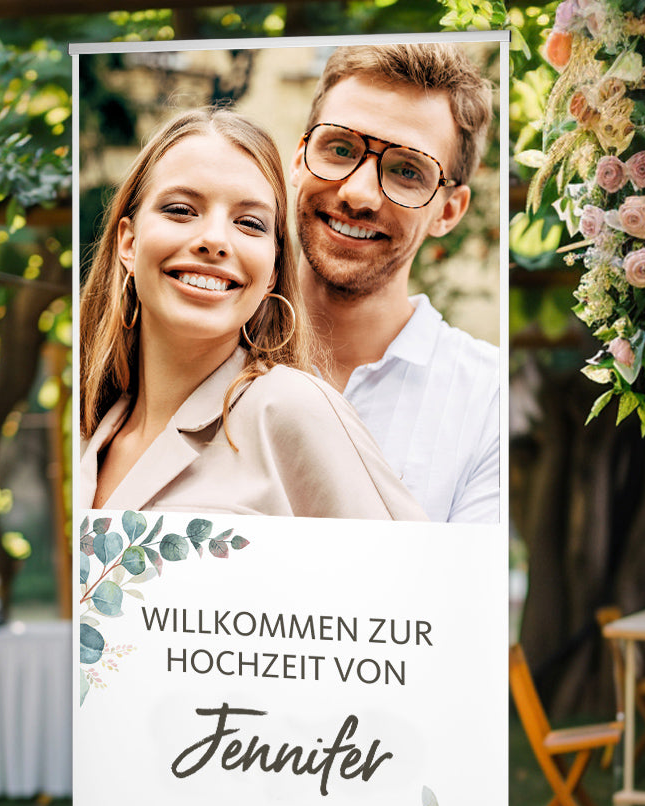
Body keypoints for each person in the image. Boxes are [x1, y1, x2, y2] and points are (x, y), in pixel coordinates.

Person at [78, 108, 426, 522]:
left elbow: (419, 577)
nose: (214, 240)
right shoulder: (88, 430)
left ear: (272, 272)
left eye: (249, 223)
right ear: (129, 243)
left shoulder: (292, 409)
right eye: (181, 210)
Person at [291, 43, 501, 523]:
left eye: (408, 170)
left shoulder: (487, 399)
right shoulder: (207, 347)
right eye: (340, 149)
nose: (358, 194)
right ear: (300, 158)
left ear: (449, 210)